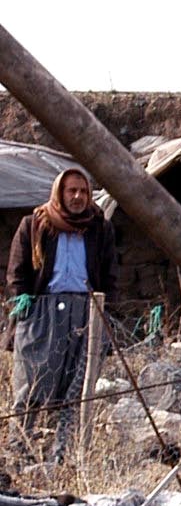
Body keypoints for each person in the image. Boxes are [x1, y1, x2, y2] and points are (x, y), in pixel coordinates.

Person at [9, 168, 113, 456]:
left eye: (83, 191)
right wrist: (25, 310)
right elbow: (17, 274)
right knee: (32, 384)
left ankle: (63, 453)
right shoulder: (35, 224)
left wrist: (105, 317)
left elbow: (109, 274)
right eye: (72, 191)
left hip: (86, 311)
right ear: (60, 192)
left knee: (76, 385)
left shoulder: (99, 228)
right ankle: (19, 448)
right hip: (42, 310)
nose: (78, 196)